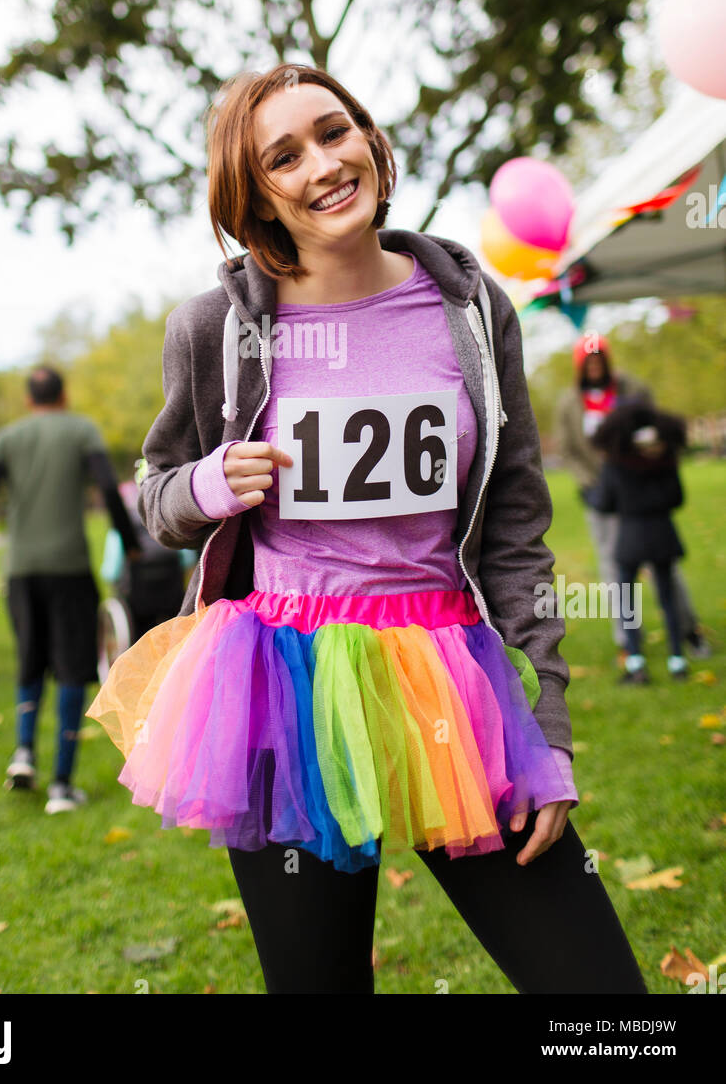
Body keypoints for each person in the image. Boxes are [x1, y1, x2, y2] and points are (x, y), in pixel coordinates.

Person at [88, 63, 647, 995]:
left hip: (449, 677)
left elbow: (513, 519)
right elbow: (154, 498)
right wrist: (209, 482)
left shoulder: (469, 307)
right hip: (278, 685)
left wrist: (547, 716)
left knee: (600, 998)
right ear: (256, 195)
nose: (323, 164)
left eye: (334, 131)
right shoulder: (215, 330)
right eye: (284, 157)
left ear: (373, 141)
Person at [0, 367, 141, 814]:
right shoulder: (82, 429)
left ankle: (24, 752)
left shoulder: (7, 438)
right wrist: (131, 543)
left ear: (29, 400)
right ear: (63, 395)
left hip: (20, 571)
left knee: (29, 660)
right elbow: (107, 486)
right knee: (71, 669)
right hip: (70, 568)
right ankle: (62, 788)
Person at [555, 334, 708, 663]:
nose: (595, 367)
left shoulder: (632, 389)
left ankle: (687, 629)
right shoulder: (570, 401)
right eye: (588, 362)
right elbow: (568, 449)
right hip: (602, 495)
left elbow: (657, 433)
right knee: (614, 568)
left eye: (599, 361)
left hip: (639, 493)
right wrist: (592, 485)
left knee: (662, 565)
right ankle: (628, 642)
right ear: (580, 366)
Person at [590, 401, 690, 685]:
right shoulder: (665, 458)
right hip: (663, 533)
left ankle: (635, 662)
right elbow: (677, 498)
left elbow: (604, 503)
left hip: (630, 536)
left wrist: (589, 496)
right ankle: (677, 660)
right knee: (668, 598)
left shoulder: (616, 463)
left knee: (627, 600)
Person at [99, 481, 189, 645]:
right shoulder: (169, 527)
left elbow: (110, 572)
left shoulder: (121, 533)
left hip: (135, 606)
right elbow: (187, 560)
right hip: (172, 601)